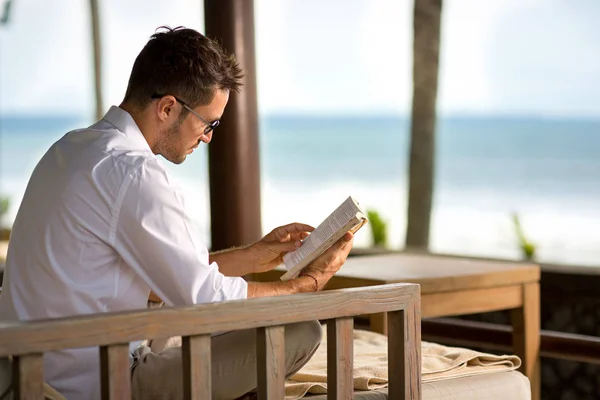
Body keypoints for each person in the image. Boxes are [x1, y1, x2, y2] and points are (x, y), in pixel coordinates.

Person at [0, 26, 354, 399]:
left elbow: (169, 276)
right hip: (96, 383)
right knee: (301, 329)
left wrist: (254, 255)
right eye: (209, 123)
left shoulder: (71, 148)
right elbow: (209, 303)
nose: (208, 137)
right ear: (168, 108)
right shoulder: (134, 172)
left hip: (23, 369)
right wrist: (307, 284)